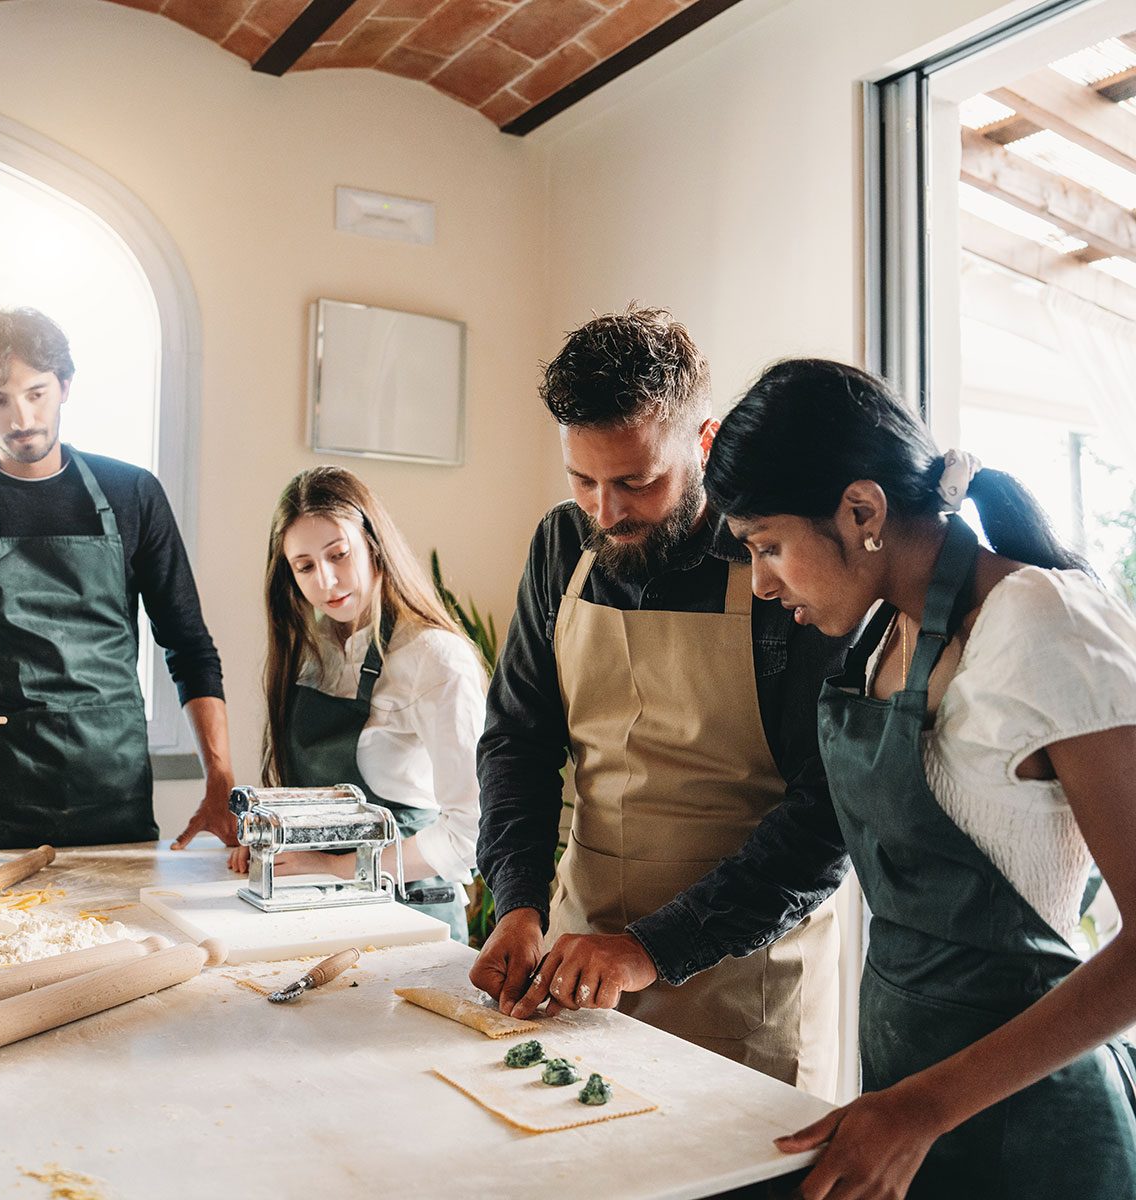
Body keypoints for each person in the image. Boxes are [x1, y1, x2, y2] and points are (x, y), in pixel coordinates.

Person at [704, 357, 1136, 1198]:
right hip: (909, 1110)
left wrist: (923, 1107)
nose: (761, 582)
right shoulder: (877, 641)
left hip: (1042, 1140)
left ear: (862, 510)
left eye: (769, 547)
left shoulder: (1044, 624)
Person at [470, 307, 850, 1096]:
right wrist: (518, 902)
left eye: (637, 482)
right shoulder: (560, 547)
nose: (606, 512)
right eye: (583, 481)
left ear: (703, 445)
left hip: (744, 982)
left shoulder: (779, 566)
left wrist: (651, 948)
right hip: (578, 967)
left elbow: (827, 818)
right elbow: (519, 742)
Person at [0, 308, 235, 850]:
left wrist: (220, 779)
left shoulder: (132, 493)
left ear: (65, 386)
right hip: (0, 794)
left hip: (114, 792)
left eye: (36, 392)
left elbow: (188, 645)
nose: (19, 417)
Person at [226, 467, 486, 942]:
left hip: (413, 914)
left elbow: (469, 834)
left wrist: (333, 866)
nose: (326, 580)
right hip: (318, 904)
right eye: (304, 566)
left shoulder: (435, 659)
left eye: (338, 554)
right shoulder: (306, 654)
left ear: (372, 543)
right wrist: (272, 840)